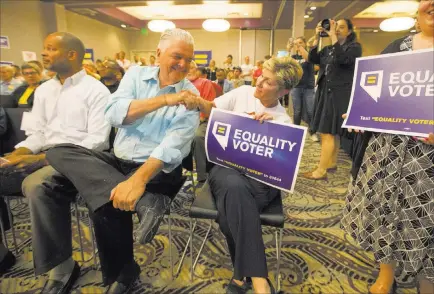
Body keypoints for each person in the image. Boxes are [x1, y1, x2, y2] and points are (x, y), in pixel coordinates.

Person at [45, 28, 200, 293]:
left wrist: (138, 181)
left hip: (158, 171)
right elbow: (115, 115)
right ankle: (145, 205)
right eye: (177, 56)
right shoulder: (137, 75)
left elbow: (172, 146)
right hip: (119, 161)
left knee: (105, 200)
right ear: (159, 54)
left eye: (189, 59)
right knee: (58, 150)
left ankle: (123, 273)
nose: (183, 64)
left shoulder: (191, 95)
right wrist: (165, 99)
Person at [0, 32, 111, 292]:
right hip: (42, 154)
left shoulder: (96, 91)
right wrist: (17, 154)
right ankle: (2, 254)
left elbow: (97, 141)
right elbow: (37, 133)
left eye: (50, 49)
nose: (43, 54)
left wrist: (41, 159)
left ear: (71, 54)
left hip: (76, 160)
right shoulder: (44, 90)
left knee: (38, 186)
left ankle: (62, 268)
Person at [342, 1, 434, 294]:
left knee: (426, 220)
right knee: (384, 211)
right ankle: (386, 274)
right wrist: (359, 113)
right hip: (388, 151)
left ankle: (427, 280)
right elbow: (375, 94)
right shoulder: (396, 47)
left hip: (428, 159)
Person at [189, 56, 302, 294]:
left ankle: (242, 276)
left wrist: (274, 131)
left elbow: (282, 169)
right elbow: (211, 109)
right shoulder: (242, 93)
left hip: (260, 181)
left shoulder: (284, 120)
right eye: (261, 75)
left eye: (268, 82)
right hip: (226, 169)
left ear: (284, 91)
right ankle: (260, 280)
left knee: (232, 204)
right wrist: (197, 101)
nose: (259, 82)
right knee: (233, 188)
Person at [302, 19, 362, 180]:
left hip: (339, 94)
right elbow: (313, 59)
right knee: (331, 132)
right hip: (325, 92)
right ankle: (331, 163)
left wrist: (333, 37)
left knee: (327, 132)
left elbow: (343, 59)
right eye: (335, 27)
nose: (336, 29)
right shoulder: (328, 48)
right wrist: (316, 39)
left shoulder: (354, 48)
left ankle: (320, 171)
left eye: (341, 27)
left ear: (349, 31)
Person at [188, 61, 217, 184]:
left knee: (198, 137)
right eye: (186, 68)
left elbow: (209, 107)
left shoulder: (205, 83)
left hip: (202, 120)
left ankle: (202, 176)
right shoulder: (179, 84)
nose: (188, 70)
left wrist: (199, 118)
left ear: (196, 70)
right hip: (182, 122)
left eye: (191, 67)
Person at [288, 37, 319, 142]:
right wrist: (288, 49)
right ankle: (295, 133)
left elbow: (309, 59)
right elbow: (287, 64)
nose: (298, 44)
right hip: (296, 87)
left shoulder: (308, 55)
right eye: (297, 43)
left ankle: (313, 132)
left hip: (308, 87)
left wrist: (301, 47)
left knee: (310, 111)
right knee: (297, 111)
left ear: (305, 44)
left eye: (300, 42)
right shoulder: (293, 57)